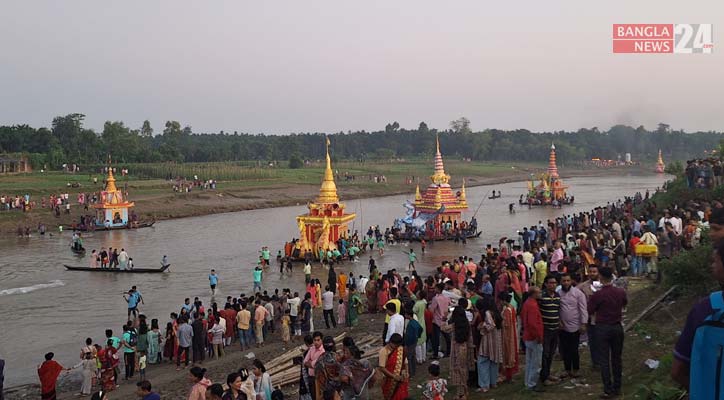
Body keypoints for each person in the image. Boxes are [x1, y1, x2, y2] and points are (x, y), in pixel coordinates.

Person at [672, 243, 724, 397]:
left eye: (715, 261)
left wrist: (699, 389)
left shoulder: (705, 310)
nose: (712, 266)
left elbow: (677, 371)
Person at [588, 267, 627, 398]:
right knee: (617, 358)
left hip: (603, 327)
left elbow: (590, 310)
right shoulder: (620, 292)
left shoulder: (598, 294)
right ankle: (618, 387)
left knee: (604, 360)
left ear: (601, 277)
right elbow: (624, 304)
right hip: (617, 326)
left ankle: (608, 389)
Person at [557, 272, 588, 379]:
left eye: (568, 280)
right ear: (560, 282)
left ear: (571, 281)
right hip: (562, 326)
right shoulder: (558, 293)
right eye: (564, 281)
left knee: (574, 349)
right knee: (565, 349)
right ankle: (567, 369)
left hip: (575, 326)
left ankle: (576, 369)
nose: (566, 283)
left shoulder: (578, 293)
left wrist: (583, 324)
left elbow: (583, 309)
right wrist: (558, 321)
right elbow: (556, 309)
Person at [476, 296, 503, 393]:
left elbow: (491, 325)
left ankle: (484, 385)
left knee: (482, 362)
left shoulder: (487, 312)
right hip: (496, 340)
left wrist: (482, 325)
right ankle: (493, 382)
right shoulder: (496, 313)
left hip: (488, 340)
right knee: (493, 362)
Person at [521, 287, 545, 392]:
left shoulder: (527, 303)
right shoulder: (532, 305)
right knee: (536, 362)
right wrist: (539, 336)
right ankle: (532, 384)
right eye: (539, 292)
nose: (540, 293)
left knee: (530, 361)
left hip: (528, 336)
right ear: (533, 294)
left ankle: (528, 382)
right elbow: (532, 323)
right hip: (534, 337)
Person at [539, 275, 561, 386]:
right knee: (545, 354)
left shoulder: (557, 296)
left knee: (551, 353)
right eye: (550, 283)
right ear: (546, 284)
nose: (553, 285)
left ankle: (548, 374)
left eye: (554, 283)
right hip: (546, 329)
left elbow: (558, 311)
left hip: (555, 329)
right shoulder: (541, 296)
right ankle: (544, 377)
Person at [304, 331, 326, 398]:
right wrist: (312, 364)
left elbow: (316, 365)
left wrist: (311, 363)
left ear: (321, 340)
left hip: (319, 378)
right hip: (311, 378)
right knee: (313, 396)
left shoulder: (323, 351)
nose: (316, 342)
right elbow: (305, 362)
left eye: (318, 340)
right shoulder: (311, 348)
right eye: (314, 340)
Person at [402, 309, 422, 378]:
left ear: (408, 315)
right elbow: (420, 329)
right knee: (413, 356)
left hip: (410, 343)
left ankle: (410, 372)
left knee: (409, 358)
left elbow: (408, 336)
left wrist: (406, 344)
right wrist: (418, 336)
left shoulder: (410, 324)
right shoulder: (415, 322)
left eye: (406, 314)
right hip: (414, 341)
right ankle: (413, 371)